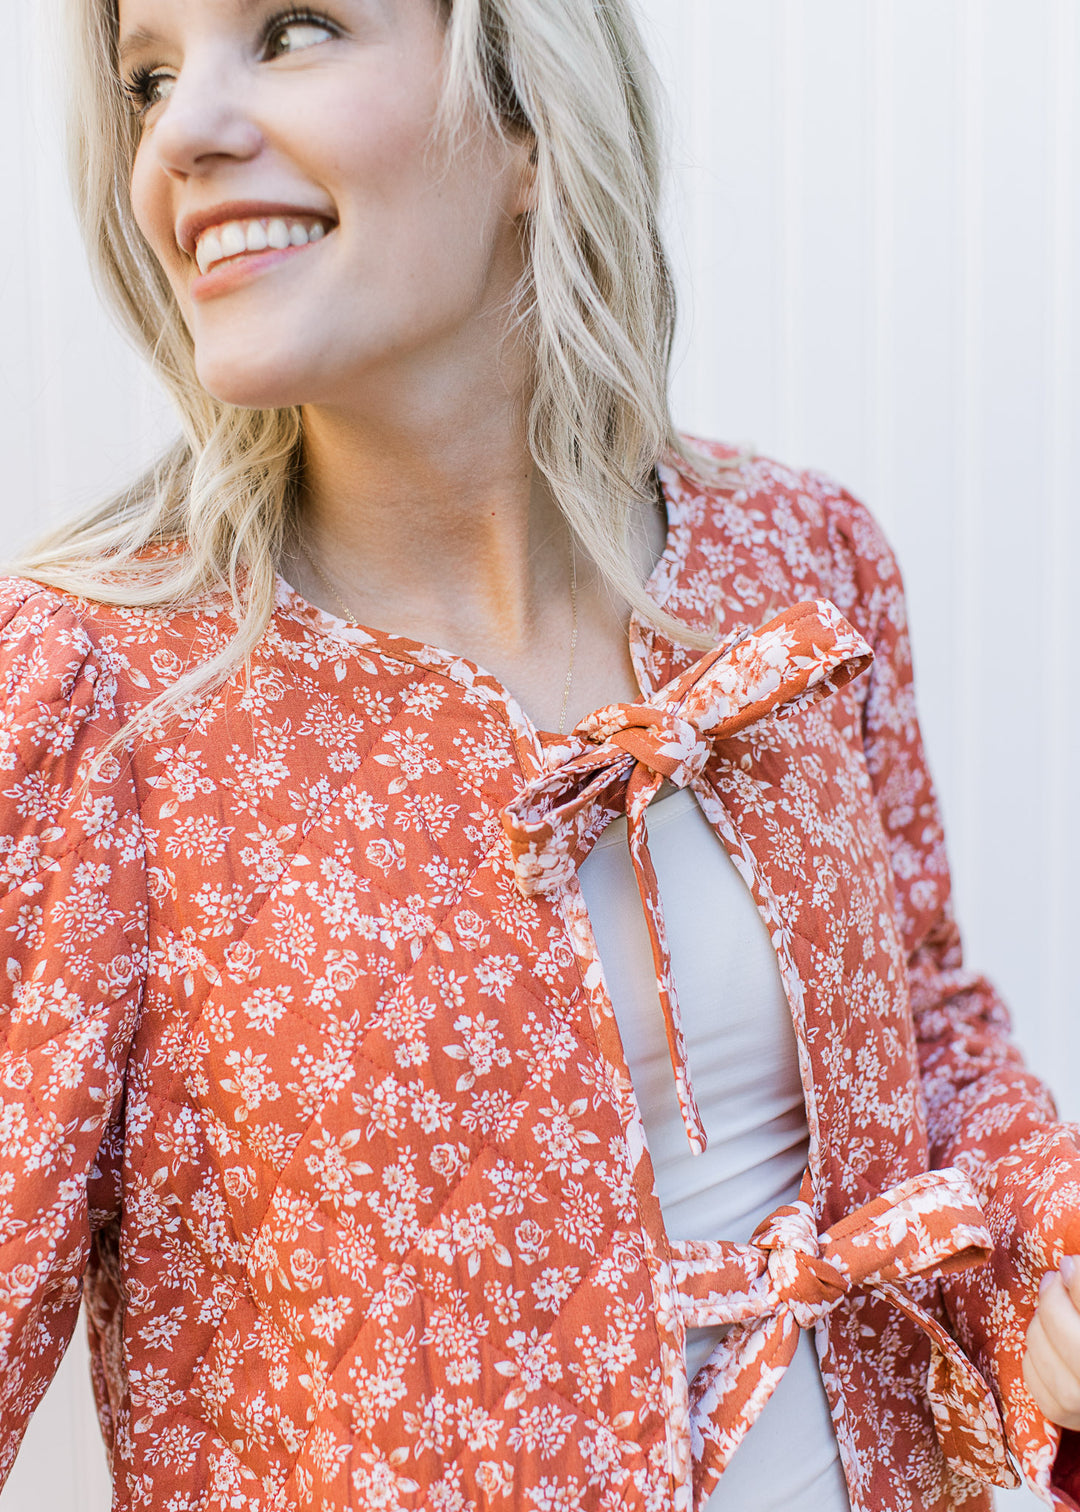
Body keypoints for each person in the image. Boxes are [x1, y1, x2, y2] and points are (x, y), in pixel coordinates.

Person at [2, 0, 1079, 1507]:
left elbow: (930, 1038)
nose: (181, 132)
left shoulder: (800, 563)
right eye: (152, 76)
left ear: (526, 113)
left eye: (295, 29)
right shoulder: (93, 695)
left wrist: (1055, 1241)